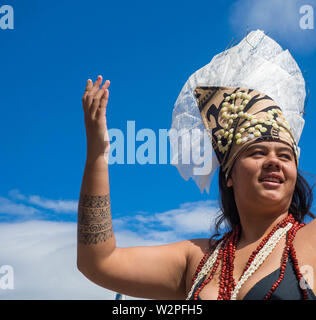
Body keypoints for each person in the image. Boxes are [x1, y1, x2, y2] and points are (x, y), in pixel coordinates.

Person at [76, 30, 316, 300]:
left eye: (285, 156)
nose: (274, 161)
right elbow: (98, 262)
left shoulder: (310, 242)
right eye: (258, 152)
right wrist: (98, 154)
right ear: (229, 175)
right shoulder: (199, 260)